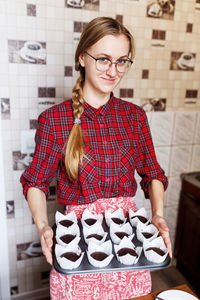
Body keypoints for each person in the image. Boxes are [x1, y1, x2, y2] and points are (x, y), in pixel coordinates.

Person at [20, 16, 172, 300]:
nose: (113, 71)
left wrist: (158, 216)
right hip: (78, 243)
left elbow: (153, 174)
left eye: (121, 61)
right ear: (82, 58)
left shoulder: (134, 117)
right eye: (103, 59)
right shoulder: (55, 120)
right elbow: (36, 183)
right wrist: (43, 225)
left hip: (127, 239)